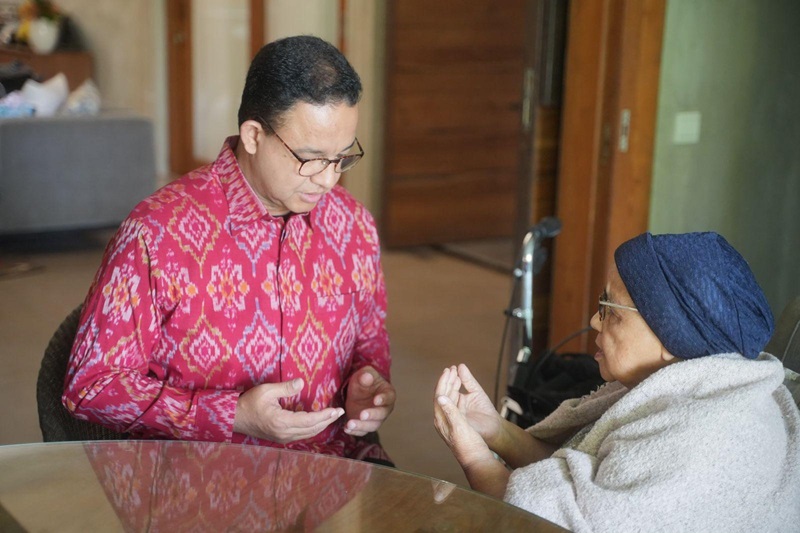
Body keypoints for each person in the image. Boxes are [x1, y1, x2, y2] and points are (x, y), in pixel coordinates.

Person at [64, 35, 395, 463]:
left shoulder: (352, 225)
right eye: (312, 158)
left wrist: (368, 384)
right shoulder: (158, 233)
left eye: (342, 157)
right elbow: (90, 385)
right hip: (195, 483)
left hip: (332, 472)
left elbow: (370, 345)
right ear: (254, 135)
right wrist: (231, 415)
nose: (329, 180)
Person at [434, 232, 800, 532]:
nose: (595, 320)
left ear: (671, 337)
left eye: (611, 310)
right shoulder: (679, 388)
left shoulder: (702, 442)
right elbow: (578, 480)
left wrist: (474, 458)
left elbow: (548, 523)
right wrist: (493, 429)